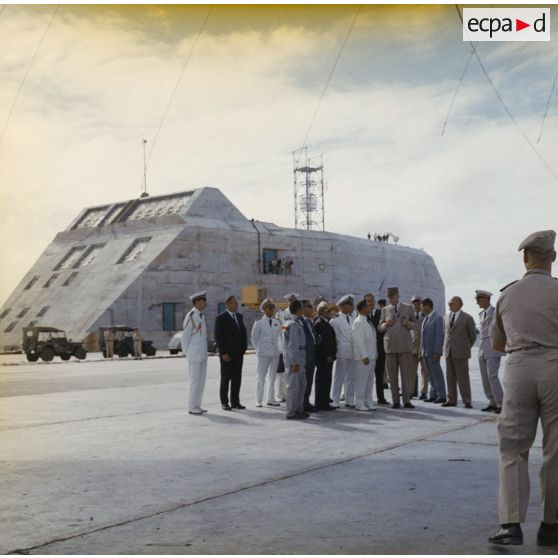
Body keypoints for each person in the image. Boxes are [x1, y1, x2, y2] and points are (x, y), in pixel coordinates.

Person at [488, 229, 558, 547]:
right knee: (555, 449)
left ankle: (511, 525)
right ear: (553, 258)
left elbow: (497, 343)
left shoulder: (507, 295)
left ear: (525, 258)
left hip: (518, 370)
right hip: (555, 368)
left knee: (513, 448)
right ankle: (550, 524)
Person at [378, 287, 417, 409]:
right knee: (392, 376)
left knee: (405, 375)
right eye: (389, 297)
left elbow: (416, 325)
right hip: (390, 346)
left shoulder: (408, 308)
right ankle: (395, 401)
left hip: (405, 346)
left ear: (398, 296)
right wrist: (386, 325)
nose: (391, 299)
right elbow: (379, 327)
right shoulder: (385, 309)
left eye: (393, 297)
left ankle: (406, 401)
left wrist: (408, 323)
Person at [442, 296, 476, 408]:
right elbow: (446, 333)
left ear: (459, 304)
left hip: (461, 353)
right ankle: (451, 400)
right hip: (448, 352)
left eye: (452, 302)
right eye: (449, 302)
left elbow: (472, 336)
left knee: (463, 378)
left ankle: (467, 401)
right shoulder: (446, 318)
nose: (449, 304)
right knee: (450, 378)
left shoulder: (467, 318)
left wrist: (464, 347)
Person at [214, 295, 248, 411]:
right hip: (227, 355)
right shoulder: (221, 318)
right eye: (233, 303)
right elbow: (219, 337)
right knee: (225, 379)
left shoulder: (239, 316)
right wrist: (223, 353)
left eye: (236, 302)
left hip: (238, 355)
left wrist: (244, 348)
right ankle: (224, 402)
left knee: (237, 379)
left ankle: (235, 402)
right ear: (227, 304)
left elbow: (243, 334)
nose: (236, 305)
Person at [475, 290, 505, 414]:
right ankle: (492, 402)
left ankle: (501, 403)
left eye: (479, 300)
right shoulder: (481, 314)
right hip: (482, 349)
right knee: (485, 378)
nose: (477, 303)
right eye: (477, 300)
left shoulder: (494, 313)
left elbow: (499, 330)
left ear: (487, 299)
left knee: (492, 376)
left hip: (492, 349)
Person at [181, 291, 209, 415]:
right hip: (194, 354)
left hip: (202, 354)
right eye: (203, 301)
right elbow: (185, 336)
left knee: (201, 381)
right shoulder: (191, 315)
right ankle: (191, 406)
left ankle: (198, 404)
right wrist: (187, 352)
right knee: (194, 381)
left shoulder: (200, 315)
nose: (205, 303)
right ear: (197, 302)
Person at [251, 298, 281, 407]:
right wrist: (258, 350)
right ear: (264, 309)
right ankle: (258, 399)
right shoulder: (259, 322)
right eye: (269, 308)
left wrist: (279, 349)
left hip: (275, 352)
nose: (271, 310)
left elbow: (280, 336)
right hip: (263, 353)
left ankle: (271, 399)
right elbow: (254, 338)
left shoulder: (277, 322)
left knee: (273, 376)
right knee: (261, 376)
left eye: (272, 308)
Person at [281, 299, 308, 420]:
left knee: (301, 384)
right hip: (296, 357)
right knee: (293, 385)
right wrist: (294, 362)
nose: (303, 310)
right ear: (298, 309)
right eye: (302, 308)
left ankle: (298, 409)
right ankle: (291, 411)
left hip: (300, 354)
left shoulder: (292, 322)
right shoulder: (292, 324)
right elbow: (292, 344)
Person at [330, 294, 356, 408]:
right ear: (343, 306)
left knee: (351, 376)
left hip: (352, 351)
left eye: (351, 304)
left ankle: (349, 399)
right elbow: (331, 337)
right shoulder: (335, 320)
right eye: (349, 304)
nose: (351, 307)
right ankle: (335, 399)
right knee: (339, 376)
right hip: (341, 351)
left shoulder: (353, 318)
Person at [352, 299, 378, 411]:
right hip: (364, 358)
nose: (370, 307)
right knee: (361, 381)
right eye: (367, 306)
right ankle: (359, 402)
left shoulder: (367, 320)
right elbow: (359, 340)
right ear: (362, 308)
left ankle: (368, 401)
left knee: (369, 381)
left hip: (372, 356)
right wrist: (364, 356)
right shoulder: (358, 322)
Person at [420, 298, 446, 404]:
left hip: (433, 352)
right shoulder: (426, 319)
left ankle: (442, 395)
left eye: (422, 306)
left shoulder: (438, 318)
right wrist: (421, 352)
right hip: (425, 352)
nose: (421, 308)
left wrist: (437, 352)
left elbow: (439, 336)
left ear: (427, 306)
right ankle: (433, 394)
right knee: (430, 375)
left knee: (437, 374)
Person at [364, 293, 389, 405]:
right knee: (366, 377)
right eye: (368, 301)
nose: (370, 303)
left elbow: (385, 329)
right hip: (367, 351)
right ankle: (366, 398)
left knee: (379, 375)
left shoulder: (380, 313)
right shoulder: (362, 316)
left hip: (379, 350)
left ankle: (381, 398)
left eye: (372, 301)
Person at [275, 293, 300, 402]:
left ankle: (290, 395)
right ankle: (280, 395)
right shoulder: (281, 313)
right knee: (281, 373)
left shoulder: (298, 314)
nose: (291, 301)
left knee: (292, 373)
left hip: (293, 345)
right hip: (283, 345)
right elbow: (277, 329)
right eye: (290, 300)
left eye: (293, 300)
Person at [313, 301, 337, 411]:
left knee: (327, 380)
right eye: (327, 310)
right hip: (323, 358)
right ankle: (320, 403)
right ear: (322, 312)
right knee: (322, 380)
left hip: (329, 357)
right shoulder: (319, 322)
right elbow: (321, 342)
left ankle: (325, 401)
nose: (330, 312)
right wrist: (327, 355)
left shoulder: (325, 322)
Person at [300, 299, 317, 412]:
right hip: (303, 357)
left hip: (311, 357)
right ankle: (301, 404)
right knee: (302, 383)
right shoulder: (299, 321)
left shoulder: (310, 321)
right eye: (309, 306)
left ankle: (306, 402)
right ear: (303, 308)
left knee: (309, 381)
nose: (311, 308)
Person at [410, 296, 427, 399]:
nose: (416, 305)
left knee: (424, 371)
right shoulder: (409, 316)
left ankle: (424, 392)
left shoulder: (426, 316)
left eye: (418, 304)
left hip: (424, 347)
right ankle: (411, 391)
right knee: (411, 371)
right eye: (414, 304)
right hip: (412, 347)